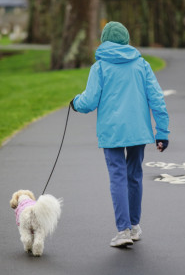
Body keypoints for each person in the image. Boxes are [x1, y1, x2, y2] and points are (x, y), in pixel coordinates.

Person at [70, 21, 170, 247]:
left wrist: (75, 103)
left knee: (117, 176)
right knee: (134, 176)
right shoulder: (141, 65)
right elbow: (157, 98)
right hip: (138, 131)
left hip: (112, 132)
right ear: (126, 41)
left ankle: (123, 230)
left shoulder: (100, 67)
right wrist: (162, 131)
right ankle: (134, 226)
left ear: (104, 41)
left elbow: (89, 101)